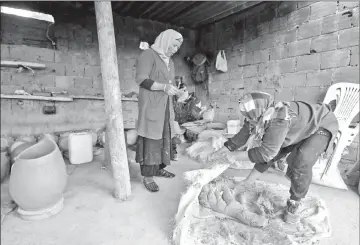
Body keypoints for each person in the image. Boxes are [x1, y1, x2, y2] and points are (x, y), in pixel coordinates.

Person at [210, 91, 339, 224]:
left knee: (301, 161)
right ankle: (249, 181)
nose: (247, 120)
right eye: (246, 117)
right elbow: (241, 137)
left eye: (249, 117)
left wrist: (235, 156)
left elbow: (266, 153)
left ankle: (295, 203)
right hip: (300, 127)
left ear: (259, 111)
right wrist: (220, 152)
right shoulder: (258, 114)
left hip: (321, 124)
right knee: (275, 148)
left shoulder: (279, 119)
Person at [135, 29, 183, 192]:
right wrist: (163, 87)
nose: (175, 49)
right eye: (174, 45)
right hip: (151, 105)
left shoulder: (171, 62)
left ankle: (159, 168)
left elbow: (170, 84)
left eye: (178, 47)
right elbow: (141, 79)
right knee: (151, 140)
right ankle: (148, 176)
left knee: (164, 138)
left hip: (166, 106)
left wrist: (178, 92)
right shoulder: (148, 54)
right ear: (165, 40)